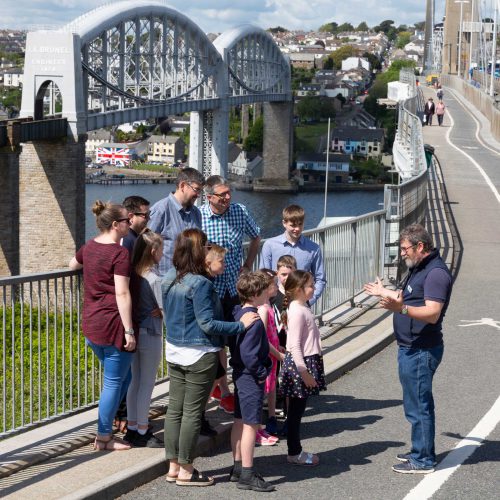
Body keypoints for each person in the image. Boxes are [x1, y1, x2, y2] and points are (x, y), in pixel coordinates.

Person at [162, 228, 258, 487]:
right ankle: (187, 470)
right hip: (198, 353)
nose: (208, 249)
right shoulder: (201, 283)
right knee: (193, 412)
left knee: (175, 410)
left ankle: (173, 465)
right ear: (196, 250)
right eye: (204, 246)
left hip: (174, 349)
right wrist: (241, 325)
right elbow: (208, 324)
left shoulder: (169, 277)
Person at [363, 224, 452, 474]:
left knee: (419, 405)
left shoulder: (435, 274)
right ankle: (420, 450)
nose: (401, 253)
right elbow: (408, 298)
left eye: (404, 249)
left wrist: (399, 309)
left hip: (421, 350)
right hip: (411, 347)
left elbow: (433, 313)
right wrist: (385, 293)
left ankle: (423, 460)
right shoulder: (419, 267)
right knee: (414, 403)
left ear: (419, 246)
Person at [69, 201, 135, 451]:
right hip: (113, 326)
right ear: (116, 225)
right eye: (127, 220)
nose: (130, 223)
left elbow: (71, 265)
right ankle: (104, 436)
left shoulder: (90, 247)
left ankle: (108, 425)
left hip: (92, 324)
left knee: (123, 377)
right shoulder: (119, 253)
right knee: (113, 382)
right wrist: (129, 330)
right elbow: (122, 293)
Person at [201, 175, 261, 414]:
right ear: (210, 197)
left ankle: (235, 388)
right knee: (215, 342)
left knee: (239, 338)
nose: (227, 198)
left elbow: (256, 235)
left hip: (235, 288)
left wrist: (248, 263)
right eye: (222, 194)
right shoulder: (200, 216)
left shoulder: (240, 211)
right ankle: (223, 390)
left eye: (229, 193)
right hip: (212, 290)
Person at [230, 271, 275, 492]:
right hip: (250, 376)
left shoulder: (238, 312)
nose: (269, 292)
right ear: (257, 293)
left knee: (239, 421)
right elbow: (250, 354)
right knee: (251, 424)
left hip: (239, 374)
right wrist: (261, 372)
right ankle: (247, 473)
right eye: (266, 289)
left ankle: (237, 466)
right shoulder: (255, 320)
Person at [280, 270, 326, 466]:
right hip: (301, 364)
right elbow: (294, 345)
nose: (314, 288)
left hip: (305, 362)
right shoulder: (297, 310)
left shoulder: (300, 306)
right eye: (310, 286)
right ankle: (294, 452)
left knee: (297, 411)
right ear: (298, 289)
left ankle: (295, 450)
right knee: (295, 413)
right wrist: (304, 372)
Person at [124, 229, 164, 448]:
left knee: (134, 382)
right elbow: (164, 310)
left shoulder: (132, 274)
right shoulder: (155, 278)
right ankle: (142, 430)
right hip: (151, 333)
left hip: (135, 332)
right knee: (147, 383)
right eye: (162, 250)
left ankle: (131, 427)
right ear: (153, 251)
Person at [260, 205, 326, 307]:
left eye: (300, 224)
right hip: (275, 302)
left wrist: (309, 300)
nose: (297, 229)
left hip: (301, 303)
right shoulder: (269, 245)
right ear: (284, 223)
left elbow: (320, 278)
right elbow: (263, 277)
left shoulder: (314, 248)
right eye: (293, 225)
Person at [148, 167, 204, 275]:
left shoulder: (196, 213)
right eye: (196, 189)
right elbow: (147, 249)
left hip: (190, 280)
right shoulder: (160, 210)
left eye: (200, 191)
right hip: (164, 281)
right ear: (182, 186)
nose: (198, 195)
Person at [257, 269, 284, 439]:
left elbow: (273, 332)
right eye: (274, 284)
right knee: (262, 389)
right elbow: (262, 338)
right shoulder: (263, 309)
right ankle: (258, 425)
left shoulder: (270, 306)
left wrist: (279, 346)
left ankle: (272, 417)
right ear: (266, 288)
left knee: (272, 385)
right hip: (267, 356)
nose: (277, 286)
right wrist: (278, 353)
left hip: (273, 354)